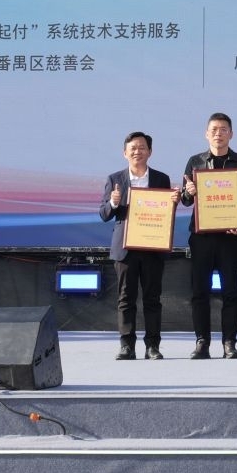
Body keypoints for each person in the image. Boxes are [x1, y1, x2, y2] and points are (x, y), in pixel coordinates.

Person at [180, 112, 237, 359]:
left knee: (230, 292)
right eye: (214, 129)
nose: (218, 134)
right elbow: (184, 199)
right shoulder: (195, 161)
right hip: (201, 236)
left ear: (231, 134)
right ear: (206, 134)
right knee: (199, 292)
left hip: (229, 236)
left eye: (223, 129)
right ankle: (202, 342)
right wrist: (189, 191)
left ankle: (229, 342)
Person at [99, 131, 180, 361]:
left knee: (153, 299)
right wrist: (113, 203)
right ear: (125, 153)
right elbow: (104, 214)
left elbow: (164, 211)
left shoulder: (161, 179)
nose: (137, 151)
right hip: (126, 249)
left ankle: (152, 346)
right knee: (126, 298)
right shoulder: (115, 179)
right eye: (133, 148)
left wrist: (173, 202)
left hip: (153, 246)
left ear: (150, 152)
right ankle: (127, 346)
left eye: (142, 147)